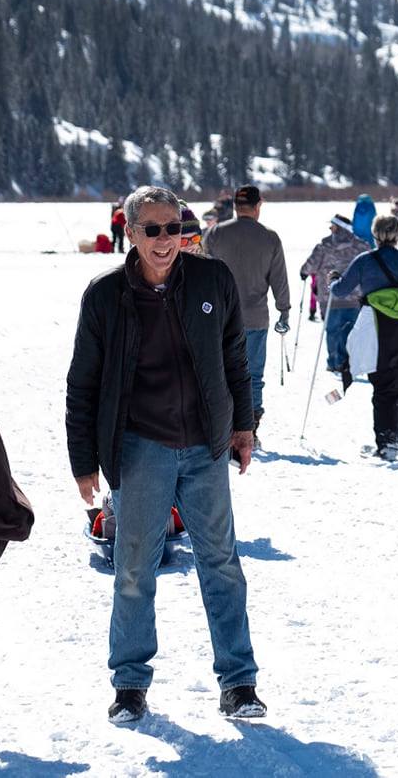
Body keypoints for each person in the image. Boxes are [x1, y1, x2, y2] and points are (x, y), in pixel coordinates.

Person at [66, 185, 262, 726]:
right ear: (129, 232)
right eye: (150, 229)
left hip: (205, 445)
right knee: (133, 568)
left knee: (221, 563)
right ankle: (129, 685)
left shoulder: (212, 280)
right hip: (139, 447)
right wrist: (83, 461)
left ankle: (239, 682)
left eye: (172, 228)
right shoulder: (105, 296)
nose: (163, 240)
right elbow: (82, 383)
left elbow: (233, 358)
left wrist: (243, 426)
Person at [328, 215, 398, 459]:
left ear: (375, 234)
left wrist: (333, 280)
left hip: (376, 329)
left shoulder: (364, 261)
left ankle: (387, 442)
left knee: (382, 385)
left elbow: (341, 290)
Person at [203, 185, 291, 443]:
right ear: (258, 205)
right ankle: (250, 427)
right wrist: (283, 311)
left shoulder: (216, 233)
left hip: (220, 318)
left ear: (235, 206)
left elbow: (204, 275)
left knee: (221, 372)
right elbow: (280, 280)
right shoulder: (270, 238)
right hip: (255, 318)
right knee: (252, 375)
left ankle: (223, 425)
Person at [302, 215, 370, 377]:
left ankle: (334, 362)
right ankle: (347, 361)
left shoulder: (324, 247)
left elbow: (310, 266)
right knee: (351, 330)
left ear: (339, 228)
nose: (330, 229)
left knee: (332, 330)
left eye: (332, 226)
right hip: (354, 297)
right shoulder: (361, 246)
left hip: (329, 297)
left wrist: (303, 272)